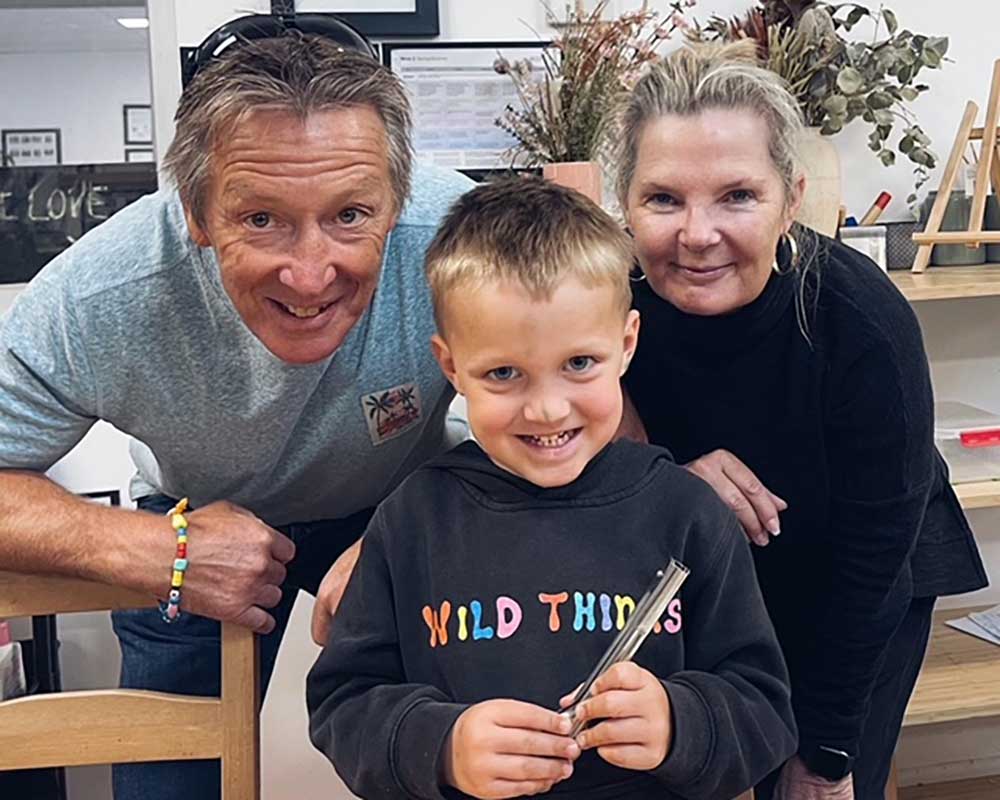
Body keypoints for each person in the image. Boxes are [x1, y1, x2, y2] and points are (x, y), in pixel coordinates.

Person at [0, 24, 473, 800]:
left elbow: (570, 402)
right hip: (190, 527)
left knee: (449, 767)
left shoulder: (457, 237)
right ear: (194, 210)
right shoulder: (101, 293)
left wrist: (427, 523)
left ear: (399, 198)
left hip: (400, 504)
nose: (311, 272)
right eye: (262, 220)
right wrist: (159, 552)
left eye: (352, 216)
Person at [306, 176, 797, 800]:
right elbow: (343, 705)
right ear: (452, 367)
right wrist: (444, 745)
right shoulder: (411, 521)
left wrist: (680, 723)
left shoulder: (688, 513)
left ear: (625, 346)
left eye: (579, 364)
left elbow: (763, 708)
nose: (545, 409)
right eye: (504, 373)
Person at [614, 42, 989, 800]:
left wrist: (826, 754)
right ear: (622, 202)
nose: (696, 233)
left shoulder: (859, 323)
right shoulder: (601, 302)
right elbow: (547, 446)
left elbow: (874, 564)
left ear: (792, 199)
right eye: (663, 199)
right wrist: (667, 481)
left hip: (854, 584)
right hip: (695, 580)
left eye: (737, 197)